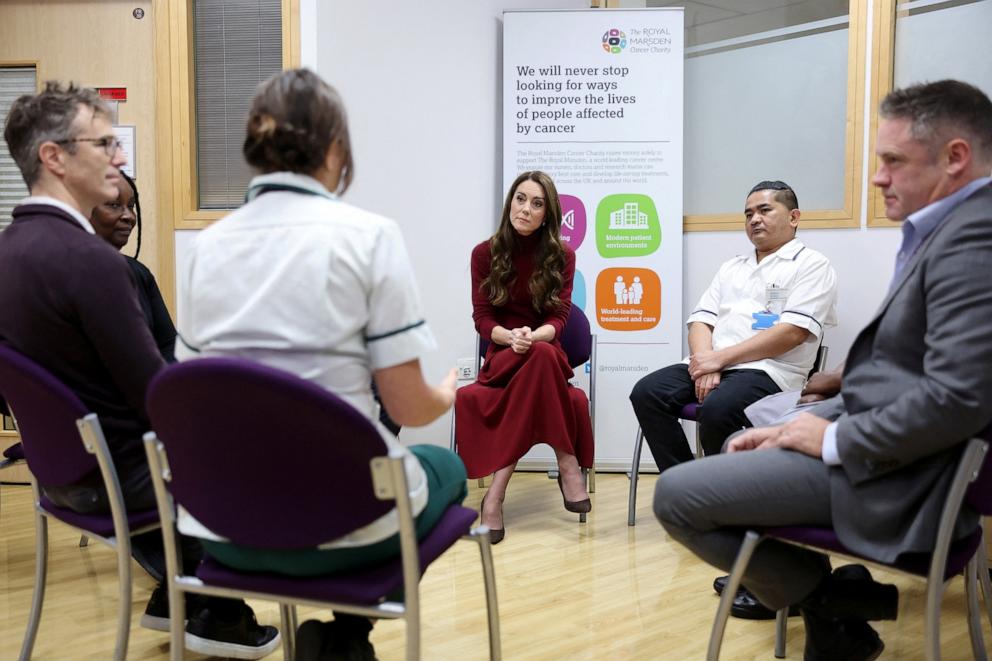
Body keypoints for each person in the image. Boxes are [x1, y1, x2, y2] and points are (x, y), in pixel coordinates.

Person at [655, 79, 992, 660]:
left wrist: (834, 437)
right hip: (880, 447)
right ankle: (836, 611)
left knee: (678, 496)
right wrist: (797, 425)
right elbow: (898, 375)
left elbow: (960, 398)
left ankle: (826, 600)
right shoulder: (946, 234)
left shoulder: (973, 243)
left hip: (899, 478)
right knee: (721, 433)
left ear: (955, 157)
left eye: (891, 161)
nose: (878, 177)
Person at [175, 68, 465, 661]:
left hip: (224, 530)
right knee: (445, 465)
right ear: (335, 148)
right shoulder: (369, 237)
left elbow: (192, 392)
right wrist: (446, 392)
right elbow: (407, 405)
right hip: (344, 530)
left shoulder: (205, 248)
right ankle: (347, 636)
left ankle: (341, 640)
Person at [0, 82, 279, 659]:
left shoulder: (9, 252)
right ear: (53, 157)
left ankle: (181, 602)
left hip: (63, 480)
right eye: (103, 143)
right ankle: (233, 612)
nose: (120, 155)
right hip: (126, 482)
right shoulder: (93, 263)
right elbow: (160, 397)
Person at [630, 181, 838, 472]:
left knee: (718, 410)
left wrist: (719, 359)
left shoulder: (812, 264)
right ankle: (687, 481)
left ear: (794, 217)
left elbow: (793, 331)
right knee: (647, 392)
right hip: (715, 365)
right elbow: (701, 320)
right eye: (748, 213)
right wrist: (707, 363)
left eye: (765, 210)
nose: (754, 219)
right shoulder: (732, 267)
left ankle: (726, 493)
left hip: (770, 371)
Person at [455, 170, 594, 545]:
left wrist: (535, 336)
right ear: (510, 203)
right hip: (503, 356)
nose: (526, 209)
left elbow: (560, 317)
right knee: (543, 359)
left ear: (548, 214)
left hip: (544, 349)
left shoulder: (563, 255)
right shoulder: (484, 253)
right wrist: (510, 337)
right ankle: (567, 462)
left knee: (545, 355)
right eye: (520, 199)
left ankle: (494, 499)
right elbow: (482, 318)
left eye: (536, 204)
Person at [89, 169, 177, 362]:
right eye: (114, 205)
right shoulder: (69, 274)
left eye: (131, 206)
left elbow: (169, 345)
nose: (129, 216)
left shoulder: (139, 273)